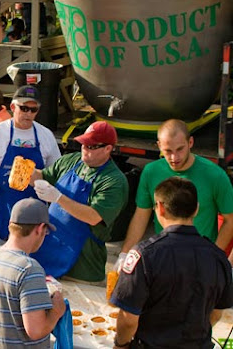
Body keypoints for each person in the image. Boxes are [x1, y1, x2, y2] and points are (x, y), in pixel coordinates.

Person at [110, 177, 233, 349]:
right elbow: (216, 313)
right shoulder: (218, 258)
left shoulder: (144, 255)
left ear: (159, 208)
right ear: (196, 209)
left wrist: (120, 345)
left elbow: (128, 319)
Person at [118, 119, 233, 264]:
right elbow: (142, 214)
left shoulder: (214, 175)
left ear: (190, 143)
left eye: (180, 149)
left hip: (200, 258)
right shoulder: (151, 172)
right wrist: (125, 253)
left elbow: (230, 220)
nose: (174, 158)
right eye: (168, 151)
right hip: (164, 257)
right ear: (159, 146)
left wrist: (214, 256)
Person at [31, 121, 128, 282]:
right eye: (83, 144)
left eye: (91, 146)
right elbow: (42, 176)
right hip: (49, 256)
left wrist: (58, 198)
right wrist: (25, 171)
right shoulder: (71, 161)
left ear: (108, 149)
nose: (84, 149)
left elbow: (94, 216)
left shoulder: (113, 181)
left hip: (83, 269)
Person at [0, 85, 61, 255]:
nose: (28, 114)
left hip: (34, 218)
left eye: (33, 110)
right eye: (24, 108)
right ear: (13, 107)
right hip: (1, 210)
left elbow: (57, 173)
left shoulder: (45, 136)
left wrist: (47, 184)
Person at [0, 198, 66, 347]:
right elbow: (36, 331)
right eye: (45, 233)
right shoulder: (29, 269)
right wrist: (56, 312)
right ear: (40, 228)